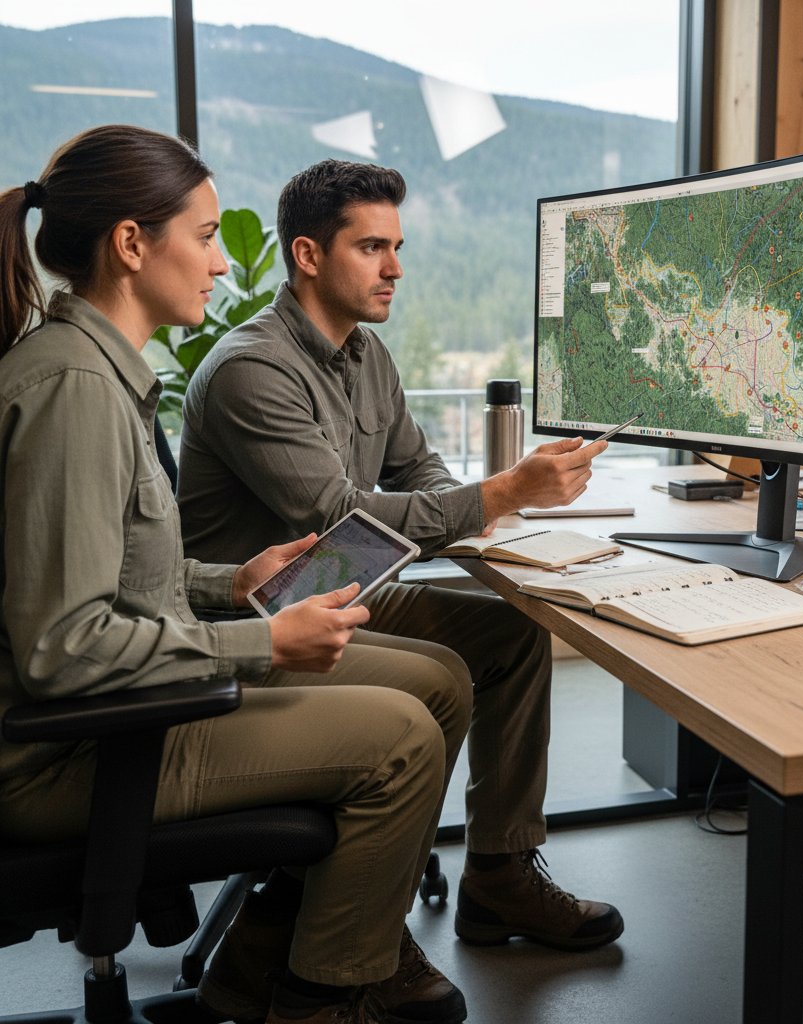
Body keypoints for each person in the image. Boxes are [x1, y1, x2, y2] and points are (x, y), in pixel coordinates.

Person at [0, 127, 471, 1024]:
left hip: (118, 703)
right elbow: (65, 649)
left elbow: (111, 573)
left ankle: (274, 948)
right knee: (404, 738)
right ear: (133, 245)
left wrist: (233, 583)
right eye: (207, 235)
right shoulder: (71, 391)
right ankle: (318, 997)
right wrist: (264, 641)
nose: (222, 264)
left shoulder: (99, 375)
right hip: (70, 750)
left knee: (439, 684)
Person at [175, 159, 624, 975]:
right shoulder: (254, 368)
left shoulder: (366, 354)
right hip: (263, 615)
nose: (396, 268)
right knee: (445, 672)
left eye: (399, 246)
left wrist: (507, 513)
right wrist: (501, 492)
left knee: (511, 633)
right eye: (373, 247)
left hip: (344, 587)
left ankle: (500, 871)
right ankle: (351, 908)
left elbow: (415, 475)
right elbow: (339, 514)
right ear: (308, 256)